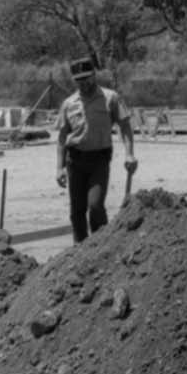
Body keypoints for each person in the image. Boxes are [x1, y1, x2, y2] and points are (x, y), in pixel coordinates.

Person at [55, 55, 137, 243]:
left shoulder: (111, 98)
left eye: (86, 79)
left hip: (99, 160)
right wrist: (59, 168)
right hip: (75, 161)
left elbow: (125, 126)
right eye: (78, 81)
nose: (83, 84)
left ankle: (101, 246)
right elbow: (61, 138)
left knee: (95, 205)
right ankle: (80, 249)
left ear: (94, 75)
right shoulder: (69, 104)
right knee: (77, 211)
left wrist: (129, 154)